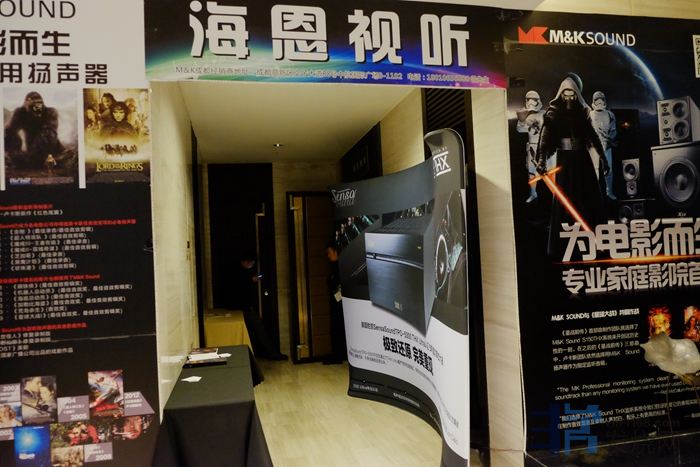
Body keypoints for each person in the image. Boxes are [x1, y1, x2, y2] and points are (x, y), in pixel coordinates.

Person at [536, 74, 609, 257]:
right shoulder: (553, 114)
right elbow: (544, 139)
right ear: (561, 94)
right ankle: (563, 246)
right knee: (564, 202)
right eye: (566, 94)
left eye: (572, 94)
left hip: (582, 159)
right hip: (565, 161)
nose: (569, 98)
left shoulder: (582, 113)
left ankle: (596, 241)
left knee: (589, 197)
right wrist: (541, 160)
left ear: (576, 94)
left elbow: (593, 136)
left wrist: (603, 158)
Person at [231, 251, 287, 360]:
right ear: (247, 262)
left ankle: (265, 353)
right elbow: (241, 289)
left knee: (255, 331)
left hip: (240, 309)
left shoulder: (237, 272)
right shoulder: (241, 274)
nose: (252, 265)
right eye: (251, 263)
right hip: (245, 308)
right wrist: (251, 280)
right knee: (260, 330)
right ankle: (272, 354)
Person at [5, 91, 65, 169]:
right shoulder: (21, 112)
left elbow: (50, 133)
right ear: (25, 104)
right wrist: (12, 152)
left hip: (50, 149)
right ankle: (20, 158)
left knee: (47, 132)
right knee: (8, 132)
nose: (37, 106)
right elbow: (10, 130)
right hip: (32, 148)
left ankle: (31, 160)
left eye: (39, 103)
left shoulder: (50, 112)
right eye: (34, 103)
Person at [516, 90, 546, 203]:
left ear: (538, 101)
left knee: (550, 171)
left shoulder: (544, 113)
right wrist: (522, 121)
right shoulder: (525, 114)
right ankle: (533, 193)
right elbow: (520, 129)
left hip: (544, 146)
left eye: (533, 100)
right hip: (532, 147)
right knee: (531, 171)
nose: (531, 102)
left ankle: (554, 194)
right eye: (528, 100)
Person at [589, 91, 617, 200]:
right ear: (594, 101)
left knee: (608, 169)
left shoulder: (610, 114)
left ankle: (609, 191)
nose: (599, 102)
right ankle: (595, 193)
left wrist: (609, 138)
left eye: (601, 99)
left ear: (604, 101)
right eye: (597, 100)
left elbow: (613, 130)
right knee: (594, 169)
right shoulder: (590, 114)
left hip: (606, 145)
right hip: (594, 146)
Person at [323, 241, 346, 364]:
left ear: (336, 252)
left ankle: (338, 355)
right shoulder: (335, 267)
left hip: (341, 304)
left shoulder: (341, 267)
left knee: (337, 329)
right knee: (336, 329)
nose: (328, 256)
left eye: (329, 253)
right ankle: (338, 354)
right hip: (337, 302)